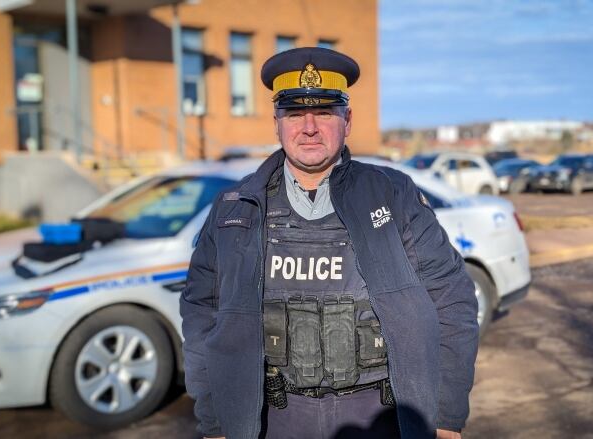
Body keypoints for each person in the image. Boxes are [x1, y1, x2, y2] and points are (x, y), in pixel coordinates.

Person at [180, 47, 479, 439]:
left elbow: (452, 299)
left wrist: (444, 417)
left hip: (379, 418)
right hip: (273, 420)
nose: (309, 127)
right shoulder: (235, 210)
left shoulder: (393, 195)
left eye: (324, 112)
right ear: (276, 123)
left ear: (347, 120)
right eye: (294, 113)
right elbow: (202, 315)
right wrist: (216, 421)